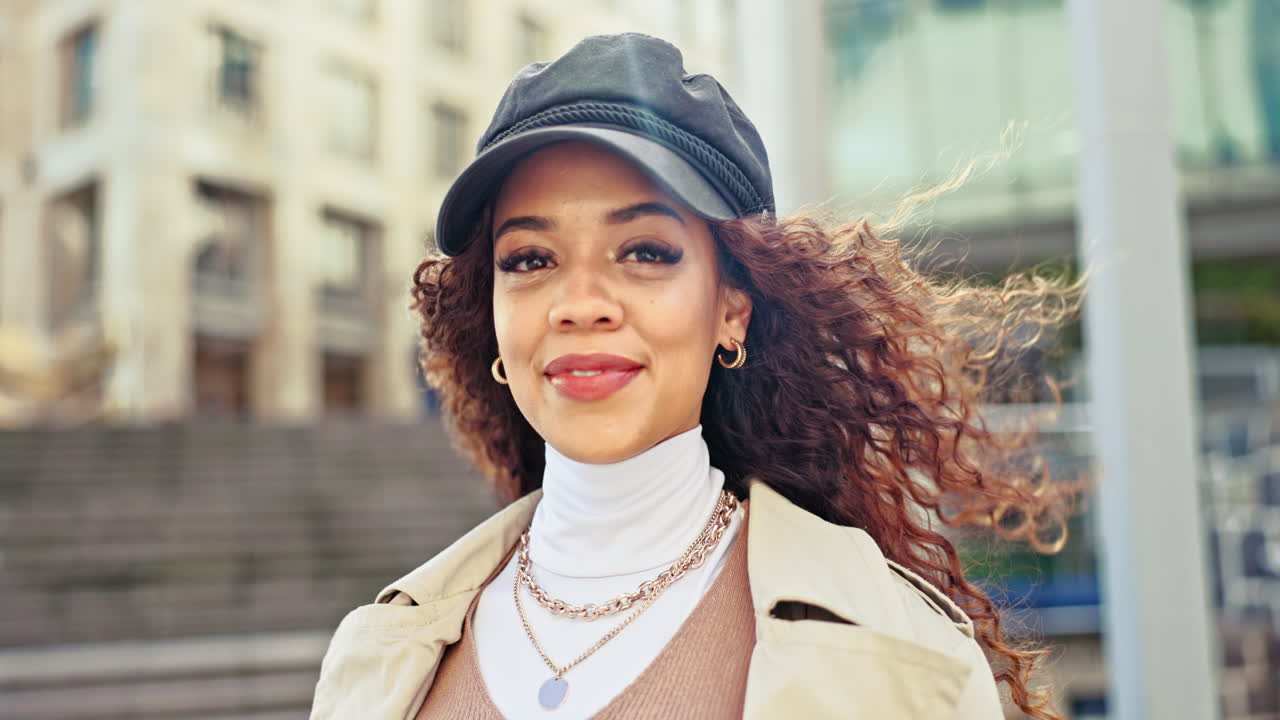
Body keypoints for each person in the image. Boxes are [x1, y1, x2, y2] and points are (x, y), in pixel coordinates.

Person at [310, 32, 1080, 720]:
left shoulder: (903, 661)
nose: (580, 306)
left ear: (732, 312)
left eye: (645, 251)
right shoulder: (378, 656)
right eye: (530, 260)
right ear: (493, 319)